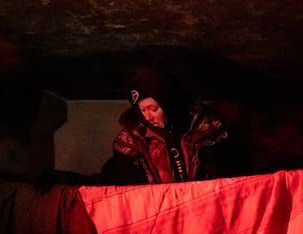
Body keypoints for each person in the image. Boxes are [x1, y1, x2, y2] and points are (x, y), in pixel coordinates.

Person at [99, 65, 240, 185]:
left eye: (153, 109)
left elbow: (230, 178)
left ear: (168, 105)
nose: (147, 117)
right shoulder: (132, 141)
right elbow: (116, 182)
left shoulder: (207, 131)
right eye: (142, 110)